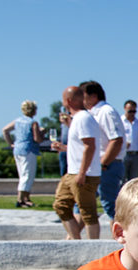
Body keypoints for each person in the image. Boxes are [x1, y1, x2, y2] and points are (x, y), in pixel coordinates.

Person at [51, 85, 104, 240]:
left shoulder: (83, 118)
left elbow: (90, 146)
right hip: (73, 172)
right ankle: (76, 242)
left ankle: (91, 248)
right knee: (60, 205)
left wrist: (82, 173)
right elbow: (81, 146)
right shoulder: (77, 119)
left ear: (68, 101)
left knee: (88, 213)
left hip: (83, 174)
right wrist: (64, 148)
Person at [81, 81, 126, 221]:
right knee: (83, 202)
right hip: (100, 165)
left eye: (82, 96)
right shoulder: (93, 113)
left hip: (107, 165)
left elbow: (116, 140)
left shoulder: (106, 112)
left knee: (110, 204)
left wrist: (103, 163)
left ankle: (123, 237)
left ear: (93, 96)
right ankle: (72, 238)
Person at [3, 99, 42, 208]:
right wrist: (42, 132)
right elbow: (37, 139)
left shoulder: (17, 121)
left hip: (18, 149)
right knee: (27, 175)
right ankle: (20, 199)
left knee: (23, 175)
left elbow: (5, 130)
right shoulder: (33, 123)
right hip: (29, 150)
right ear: (33, 110)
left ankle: (26, 198)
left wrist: (11, 143)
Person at [121, 100, 138, 181]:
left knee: (134, 180)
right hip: (123, 154)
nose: (132, 113)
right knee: (122, 178)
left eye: (134, 111)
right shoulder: (120, 122)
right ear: (125, 108)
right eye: (130, 111)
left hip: (136, 155)